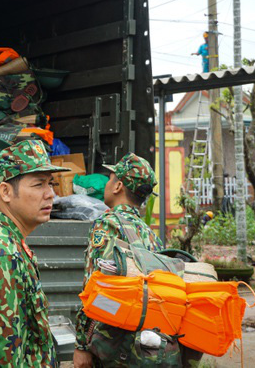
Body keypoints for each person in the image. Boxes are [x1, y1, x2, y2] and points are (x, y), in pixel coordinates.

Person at [73, 153, 201, 368]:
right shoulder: (150, 234)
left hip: (112, 344)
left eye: (110, 177)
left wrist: (82, 345)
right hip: (144, 346)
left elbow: (95, 289)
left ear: (118, 186)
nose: (106, 183)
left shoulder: (107, 225)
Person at [0, 140, 70, 367]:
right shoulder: (1, 253)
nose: (50, 194)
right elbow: (3, 354)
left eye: (50, 184)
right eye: (38, 184)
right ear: (6, 192)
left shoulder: (7, 241)